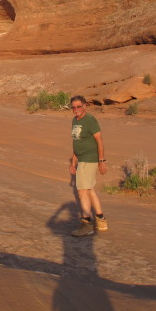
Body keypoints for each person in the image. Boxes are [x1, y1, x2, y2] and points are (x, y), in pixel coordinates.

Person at [69, 95, 108, 237]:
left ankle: (86, 224)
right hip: (81, 159)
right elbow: (77, 142)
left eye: (79, 106)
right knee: (89, 189)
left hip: (89, 159)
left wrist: (102, 161)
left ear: (85, 106)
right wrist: (73, 162)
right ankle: (101, 220)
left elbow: (99, 140)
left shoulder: (90, 120)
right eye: (73, 107)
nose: (76, 109)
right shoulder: (74, 120)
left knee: (82, 192)